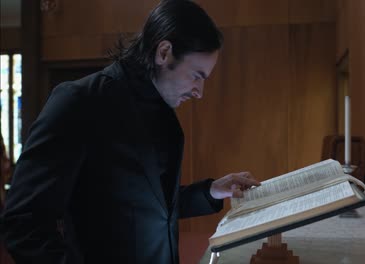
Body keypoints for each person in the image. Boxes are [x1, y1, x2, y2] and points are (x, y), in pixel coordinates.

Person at [0, 1, 260, 263]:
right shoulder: (80, 101)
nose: (199, 92)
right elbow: (23, 222)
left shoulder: (162, 112)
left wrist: (211, 191)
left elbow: (147, 206)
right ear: (164, 52)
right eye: (196, 75)